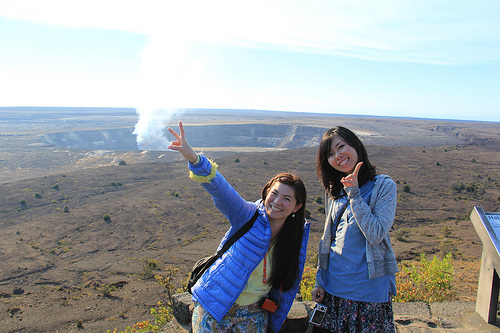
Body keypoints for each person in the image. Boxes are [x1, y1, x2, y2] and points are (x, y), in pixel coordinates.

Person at [167, 121, 310, 333]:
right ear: (266, 192)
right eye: (274, 193)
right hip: (214, 305)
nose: (277, 201)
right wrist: (194, 159)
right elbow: (221, 190)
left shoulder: (295, 239)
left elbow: (288, 289)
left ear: (297, 207)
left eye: (287, 198)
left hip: (254, 313)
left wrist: (275, 324)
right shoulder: (248, 215)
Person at [311, 126, 398, 333]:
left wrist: (355, 194)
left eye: (341, 147)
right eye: (330, 154)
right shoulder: (335, 192)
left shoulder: (383, 186)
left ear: (356, 145)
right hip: (334, 291)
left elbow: (376, 233)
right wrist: (319, 281)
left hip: (369, 296)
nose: (338, 156)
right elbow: (328, 241)